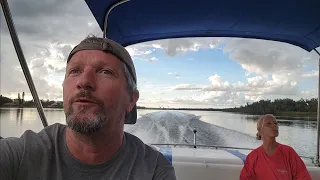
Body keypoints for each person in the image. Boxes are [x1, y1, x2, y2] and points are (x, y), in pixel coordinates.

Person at [0, 35, 177, 180]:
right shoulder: (20, 154)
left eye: (105, 72)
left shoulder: (154, 170)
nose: (84, 82)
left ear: (131, 99)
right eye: (75, 71)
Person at [240, 114, 311, 180]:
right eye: (269, 124)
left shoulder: (288, 152)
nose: (274, 125)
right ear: (260, 130)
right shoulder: (253, 157)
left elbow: (303, 177)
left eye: (275, 123)